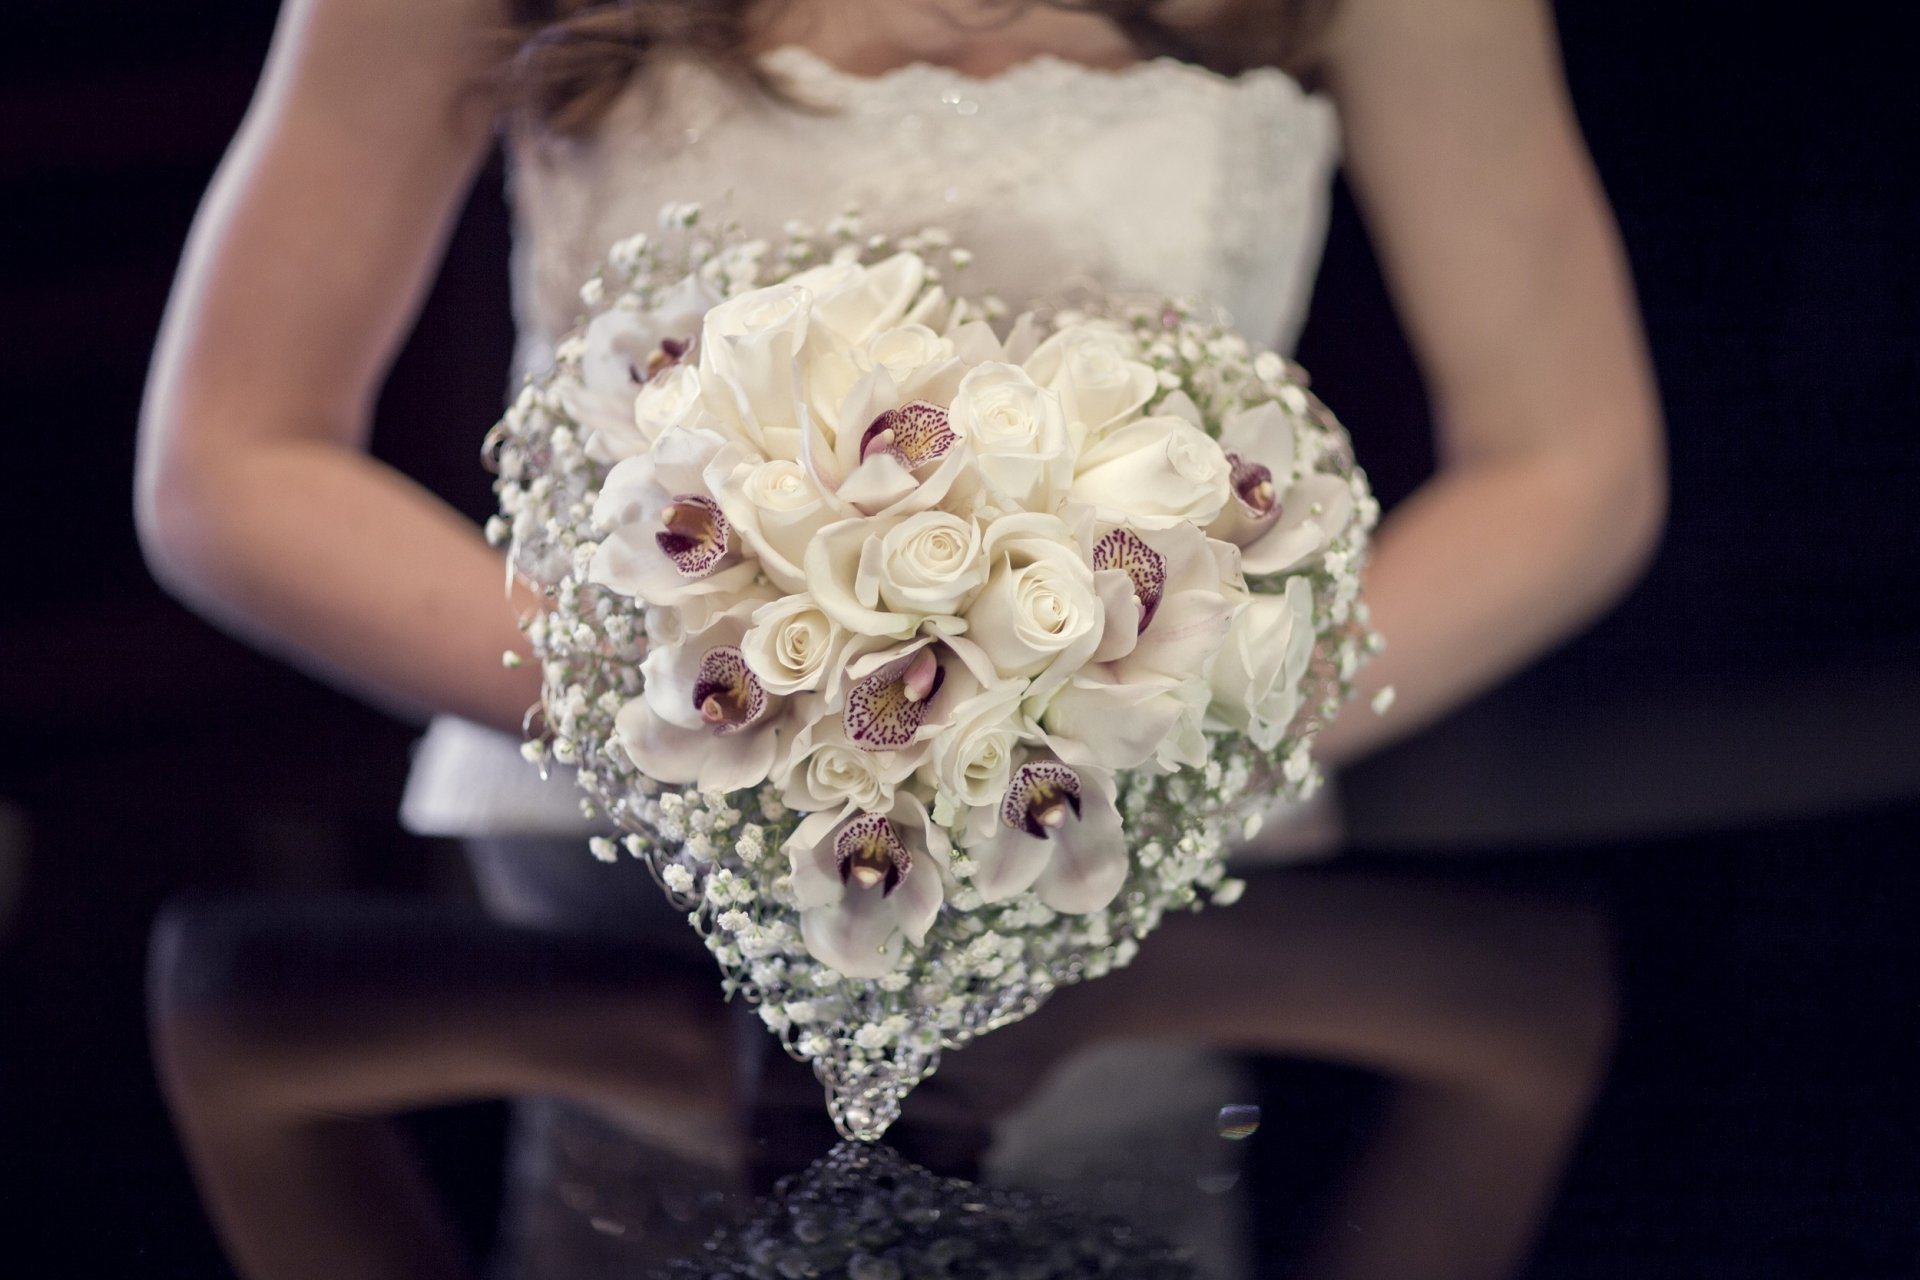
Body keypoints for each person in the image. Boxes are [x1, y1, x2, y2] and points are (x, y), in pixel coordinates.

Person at [136, 1, 1665, 1276]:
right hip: (600, 891)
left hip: (1152, 891)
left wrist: (1158, 737)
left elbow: (1571, 464)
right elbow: (229, 461)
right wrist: (711, 721)